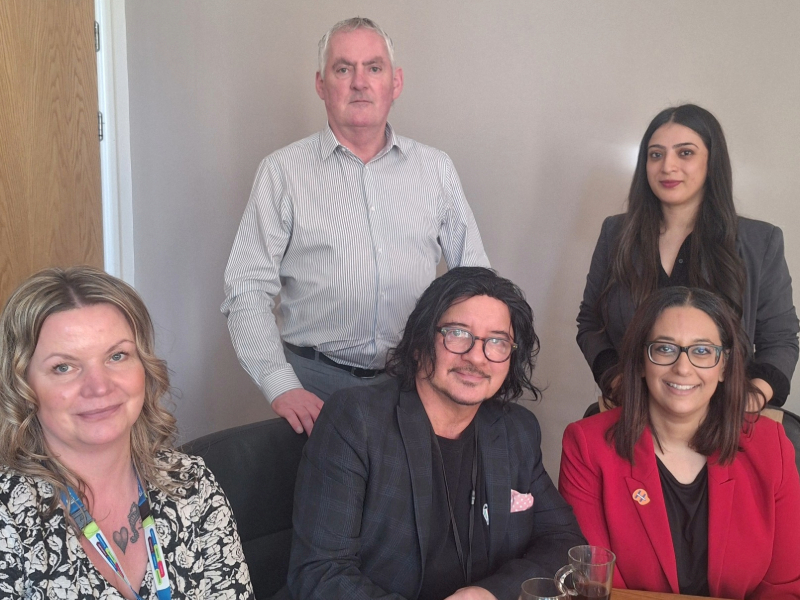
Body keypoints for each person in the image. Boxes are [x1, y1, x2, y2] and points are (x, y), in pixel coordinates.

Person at [221, 17, 489, 436]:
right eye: (343, 69)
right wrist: (280, 383)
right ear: (321, 84)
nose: (359, 82)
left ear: (395, 82)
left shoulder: (435, 169)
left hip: (414, 383)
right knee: (322, 502)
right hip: (315, 385)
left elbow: (475, 282)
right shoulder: (282, 172)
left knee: (406, 502)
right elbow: (246, 288)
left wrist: (464, 368)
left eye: (374, 68)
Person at [288, 267, 586, 600]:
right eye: (458, 333)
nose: (476, 357)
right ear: (419, 342)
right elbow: (320, 573)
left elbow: (565, 544)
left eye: (497, 341)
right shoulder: (356, 419)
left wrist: (489, 594)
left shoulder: (516, 429)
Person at [0, 267, 253, 600]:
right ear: (23, 385)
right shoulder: (9, 516)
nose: (99, 386)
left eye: (117, 356)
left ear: (144, 367)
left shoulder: (190, 482)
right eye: (64, 366)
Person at [560, 287, 800, 599]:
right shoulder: (587, 446)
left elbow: (785, 586)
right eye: (664, 349)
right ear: (642, 361)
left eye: (702, 351)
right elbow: (595, 584)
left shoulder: (771, 445)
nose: (683, 368)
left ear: (724, 365)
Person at [577, 104, 798, 408]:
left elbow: (781, 339)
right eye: (656, 154)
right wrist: (616, 382)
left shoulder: (760, 241)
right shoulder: (616, 233)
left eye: (685, 153)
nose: (667, 166)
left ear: (712, 161)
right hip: (631, 412)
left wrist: (750, 399)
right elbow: (590, 323)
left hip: (726, 417)